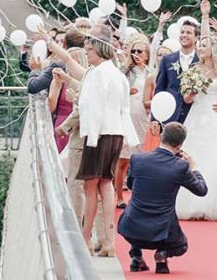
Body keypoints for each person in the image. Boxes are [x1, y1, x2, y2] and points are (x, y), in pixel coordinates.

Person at [48, 25, 139, 257]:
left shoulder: (98, 74)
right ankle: (108, 241)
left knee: (90, 187)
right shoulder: (117, 74)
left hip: (97, 135)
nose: (86, 54)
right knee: (105, 184)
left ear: (99, 49)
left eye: (89, 50)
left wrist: (90, 138)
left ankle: (86, 238)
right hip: (115, 134)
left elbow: (92, 107)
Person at [117, 123, 208, 274]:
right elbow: (202, 190)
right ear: (180, 145)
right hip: (161, 233)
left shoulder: (138, 159)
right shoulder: (181, 167)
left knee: (134, 209)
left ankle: (136, 256)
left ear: (161, 137)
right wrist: (194, 167)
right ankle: (162, 254)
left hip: (131, 228)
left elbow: (132, 185)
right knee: (182, 245)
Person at [176, 34, 217, 220]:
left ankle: (209, 204)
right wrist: (192, 91)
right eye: (200, 45)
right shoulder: (194, 70)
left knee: (215, 160)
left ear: (214, 49)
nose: (200, 48)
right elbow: (186, 99)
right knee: (193, 157)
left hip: (216, 119)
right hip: (196, 117)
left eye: (204, 45)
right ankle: (188, 204)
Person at [115, 35, 153, 208]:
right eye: (133, 51)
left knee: (140, 161)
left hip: (144, 118)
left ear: (147, 54)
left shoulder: (152, 72)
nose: (136, 54)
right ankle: (119, 197)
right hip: (127, 117)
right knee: (122, 160)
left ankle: (138, 197)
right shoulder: (125, 71)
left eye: (140, 51)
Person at [152, 18, 200, 127]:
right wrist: (155, 118)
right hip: (170, 114)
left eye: (188, 32)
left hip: (193, 114)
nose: (184, 35)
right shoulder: (167, 60)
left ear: (196, 37)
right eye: (182, 32)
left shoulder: (201, 62)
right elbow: (159, 89)